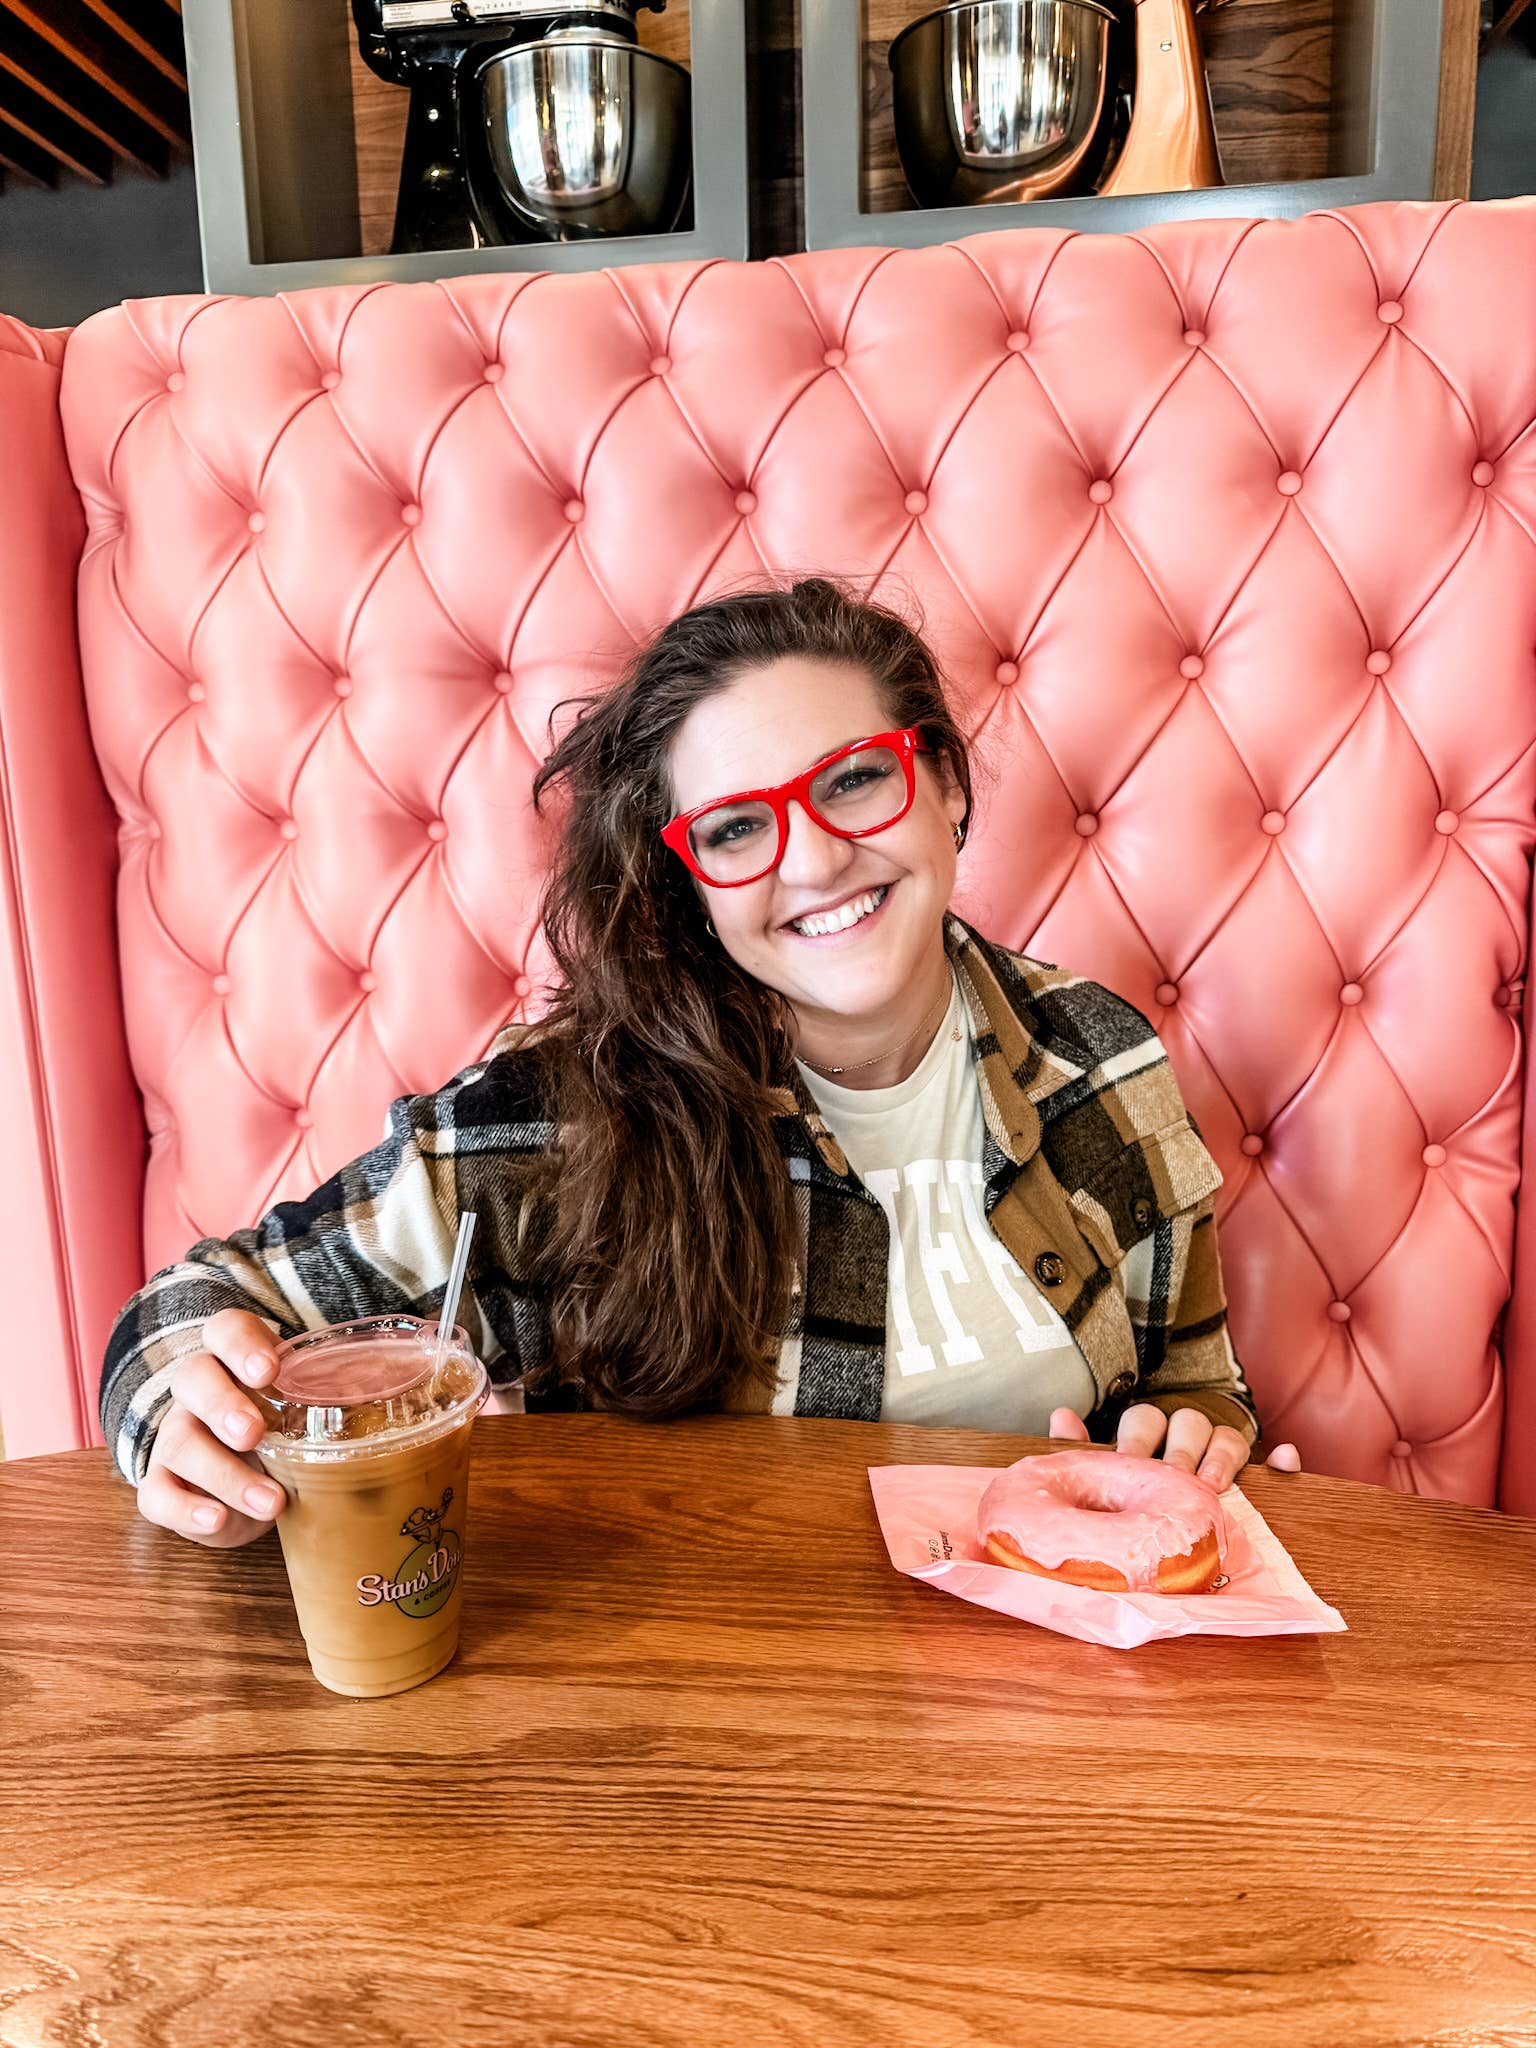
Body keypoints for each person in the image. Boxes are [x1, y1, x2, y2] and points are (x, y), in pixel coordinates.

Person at [101, 578, 1300, 1549]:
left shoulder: (1098, 1054)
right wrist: (181, 1417)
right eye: (735, 828)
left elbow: (1194, 1382)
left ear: (943, 784)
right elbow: (190, 1311)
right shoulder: (564, 1116)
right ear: (692, 883)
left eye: (854, 780)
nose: (813, 860)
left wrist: (1192, 1432)